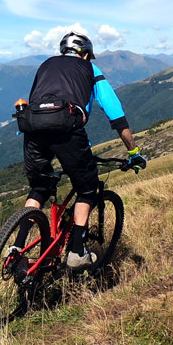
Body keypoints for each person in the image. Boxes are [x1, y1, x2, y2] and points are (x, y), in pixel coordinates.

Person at [17, 31, 146, 268]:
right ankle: (77, 253)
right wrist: (133, 151)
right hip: (67, 131)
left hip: (32, 130)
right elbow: (115, 113)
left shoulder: (46, 65)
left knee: (39, 188)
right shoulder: (90, 70)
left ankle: (16, 248)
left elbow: (35, 101)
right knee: (86, 190)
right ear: (86, 54)